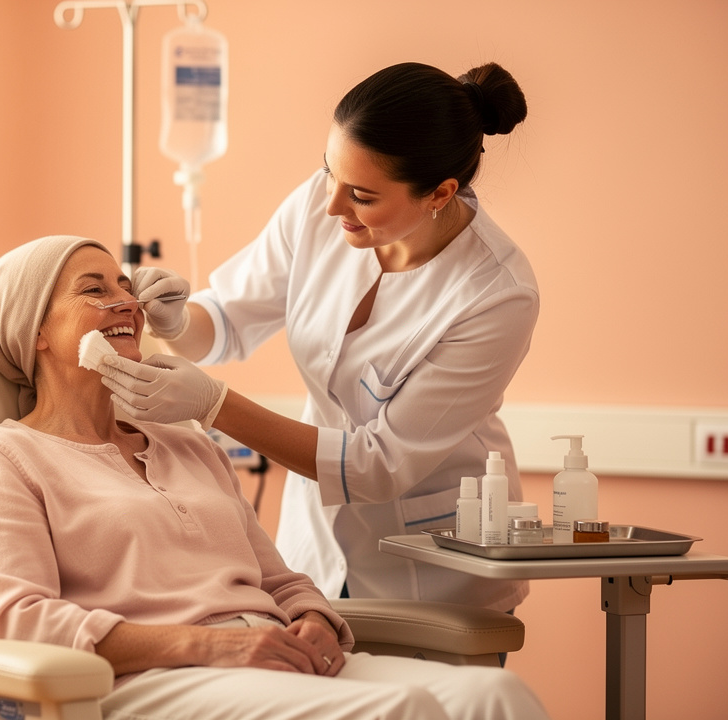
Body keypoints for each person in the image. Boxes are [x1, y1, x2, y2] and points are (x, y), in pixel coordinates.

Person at [0, 234, 548, 720]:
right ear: (37, 332)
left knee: (496, 700)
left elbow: (278, 579)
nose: (127, 302)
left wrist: (312, 621)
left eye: (126, 287)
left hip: (266, 653)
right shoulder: (2, 456)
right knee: (402, 711)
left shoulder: (185, 444)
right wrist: (213, 645)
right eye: (93, 290)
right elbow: (15, 622)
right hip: (151, 679)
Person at [98, 61, 538, 613]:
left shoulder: (496, 294)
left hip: (434, 570)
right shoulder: (318, 203)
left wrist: (215, 405)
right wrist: (177, 322)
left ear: (440, 193)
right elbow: (228, 321)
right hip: (313, 557)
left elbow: (378, 466)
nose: (332, 206)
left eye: (362, 196)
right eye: (329, 172)